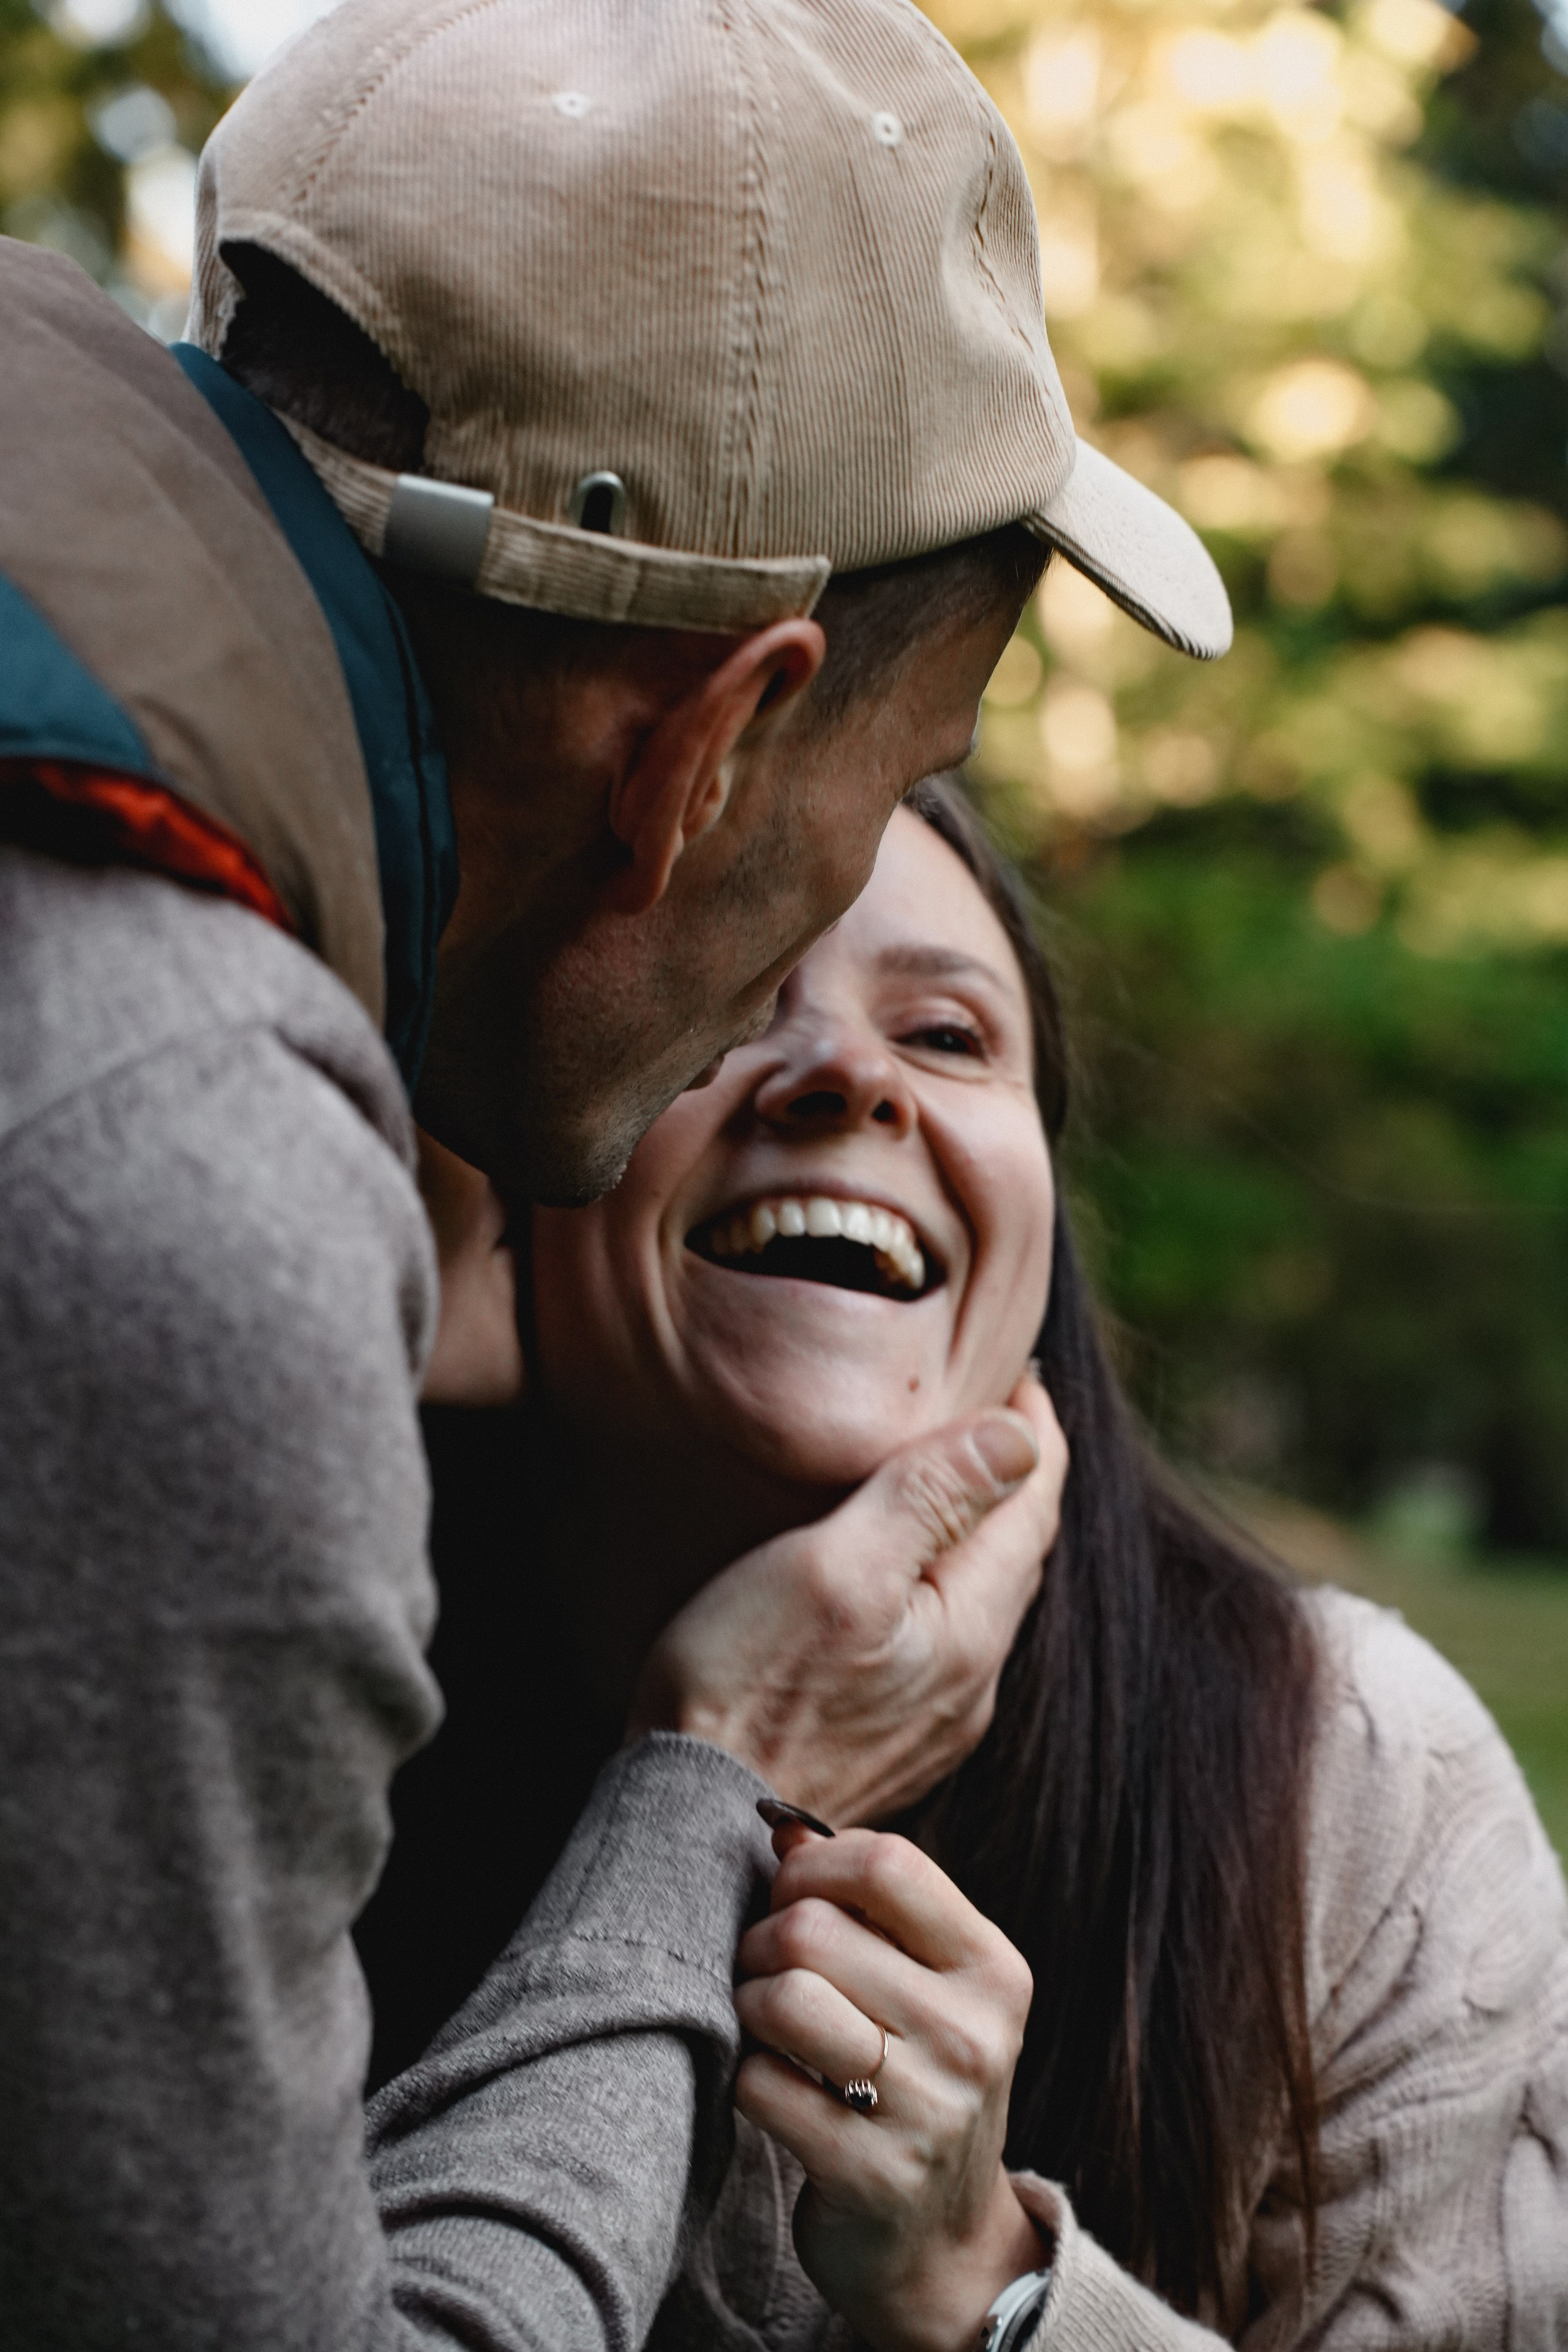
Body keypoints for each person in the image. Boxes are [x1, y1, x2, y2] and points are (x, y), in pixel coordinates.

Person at [0, 0, 1242, 2338]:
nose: (842, 997)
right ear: (713, 746)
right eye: (901, 776)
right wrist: (718, 1780)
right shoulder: (183, 1179)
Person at [402, 775, 1568, 2350]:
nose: (846, 1077)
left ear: (1040, 1221)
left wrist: (989, 2288)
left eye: (946, 1036)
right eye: (726, 998)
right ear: (499, 1195)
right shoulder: (276, 1693)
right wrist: (702, 1783)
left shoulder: (1353, 1779)